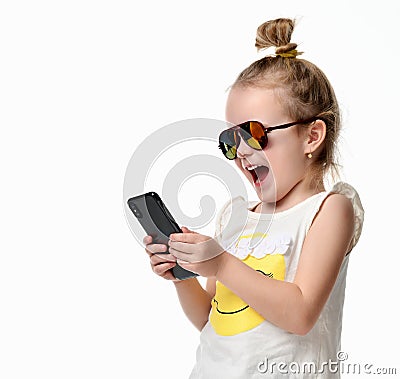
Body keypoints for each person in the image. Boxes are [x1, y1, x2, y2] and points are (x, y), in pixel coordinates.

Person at [143, 18, 364, 379]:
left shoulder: (328, 211)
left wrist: (221, 264)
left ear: (312, 136)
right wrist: (183, 274)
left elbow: (301, 314)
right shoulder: (237, 217)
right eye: (231, 140)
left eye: (255, 133)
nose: (241, 151)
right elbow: (210, 320)